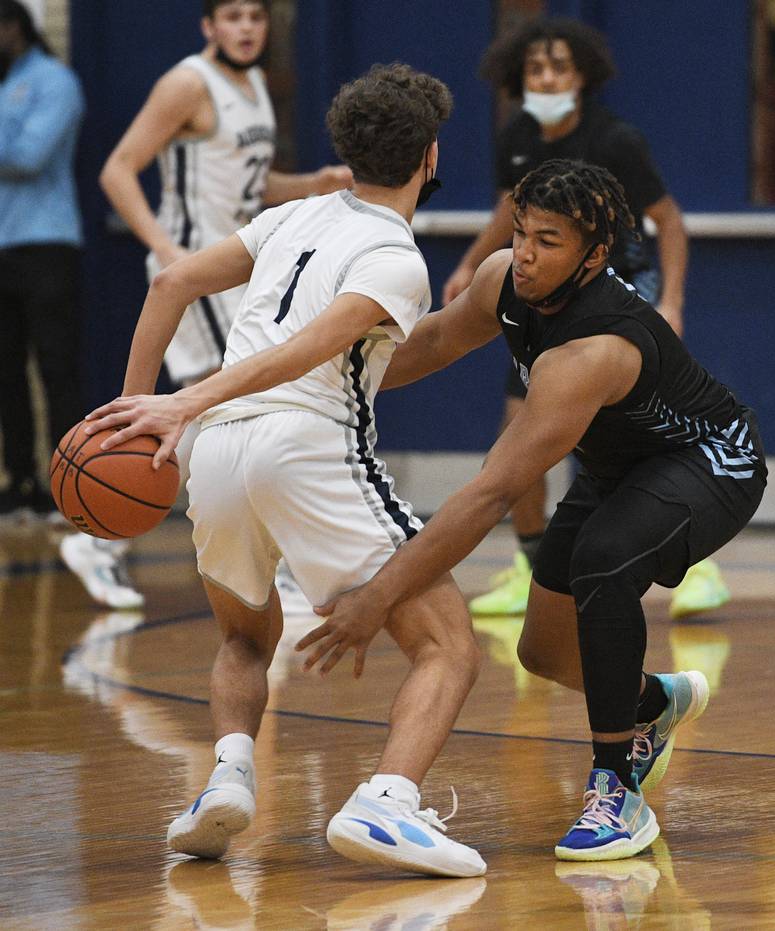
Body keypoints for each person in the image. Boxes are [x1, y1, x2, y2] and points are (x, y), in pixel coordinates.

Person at [298, 160, 767, 861]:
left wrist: (379, 596)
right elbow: (431, 341)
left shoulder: (594, 347)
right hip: (620, 468)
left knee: (602, 562)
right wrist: (317, 384)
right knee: (544, 652)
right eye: (520, 232)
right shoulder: (502, 279)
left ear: (595, 255)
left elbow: (489, 492)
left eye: (547, 240)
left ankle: (617, 790)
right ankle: (648, 702)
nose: (523, 253)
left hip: (711, 462)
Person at [83, 63, 486, 877]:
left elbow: (170, 281)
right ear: (431, 157)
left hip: (218, 453)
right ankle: (389, 803)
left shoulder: (291, 213)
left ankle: (226, 778)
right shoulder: (394, 254)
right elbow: (309, 347)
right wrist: (179, 401)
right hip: (300, 444)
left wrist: (142, 410)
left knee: (242, 633)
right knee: (448, 643)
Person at [60, 0, 350, 611]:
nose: (246, 27)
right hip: (192, 270)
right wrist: (166, 248)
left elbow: (250, 184)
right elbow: (119, 170)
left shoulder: (253, 87)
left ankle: (109, 534)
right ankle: (105, 535)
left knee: (219, 409)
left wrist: (312, 184)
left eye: (256, 16)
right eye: (233, 16)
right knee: (230, 404)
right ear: (208, 26)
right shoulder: (188, 81)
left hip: (235, 269)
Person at [441, 17, 721, 621]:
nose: (547, 77)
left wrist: (669, 302)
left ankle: (697, 567)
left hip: (618, 296)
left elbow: (669, 222)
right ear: (520, 77)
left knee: (633, 444)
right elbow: (509, 208)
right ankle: (528, 567)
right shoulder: (517, 134)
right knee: (517, 433)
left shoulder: (615, 140)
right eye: (536, 68)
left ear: (582, 75)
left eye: (559, 67)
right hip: (548, 302)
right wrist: (468, 266)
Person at [0, 0, 85, 520]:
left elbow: (29, 158)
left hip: (47, 242)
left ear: (13, 27)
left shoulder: (54, 81)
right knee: (6, 371)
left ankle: (67, 482)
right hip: (2, 245)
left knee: (57, 367)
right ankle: (21, 481)